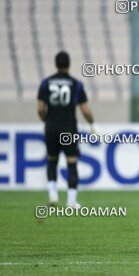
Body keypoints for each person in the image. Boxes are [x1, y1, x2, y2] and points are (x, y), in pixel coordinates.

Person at [37, 52, 95, 208]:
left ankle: (53, 194)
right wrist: (91, 123)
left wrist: (46, 120)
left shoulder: (45, 83)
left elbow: (41, 108)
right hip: (69, 128)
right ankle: (71, 201)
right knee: (72, 162)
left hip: (51, 126)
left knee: (52, 160)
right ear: (68, 65)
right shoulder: (76, 84)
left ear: (56, 64)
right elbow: (85, 110)